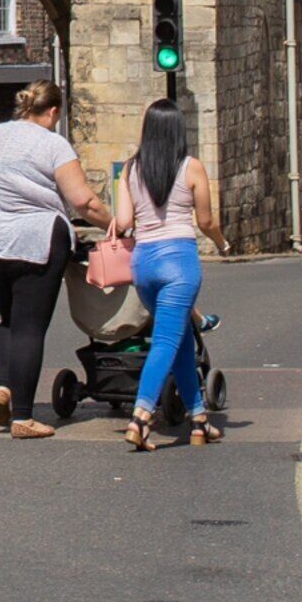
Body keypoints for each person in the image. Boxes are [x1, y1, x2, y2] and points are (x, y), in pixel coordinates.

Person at [0, 81, 101, 439]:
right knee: (30, 327)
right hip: (34, 238)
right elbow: (83, 201)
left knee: (9, 320)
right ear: (54, 112)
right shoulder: (53, 143)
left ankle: (5, 387)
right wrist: (117, 223)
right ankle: (23, 417)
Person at [109, 98, 219, 451]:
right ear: (178, 130)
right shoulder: (191, 167)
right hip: (178, 264)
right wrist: (222, 242)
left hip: (144, 266)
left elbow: (125, 222)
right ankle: (140, 417)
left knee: (182, 340)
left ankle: (199, 419)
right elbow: (206, 221)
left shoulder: (130, 168)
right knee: (166, 342)